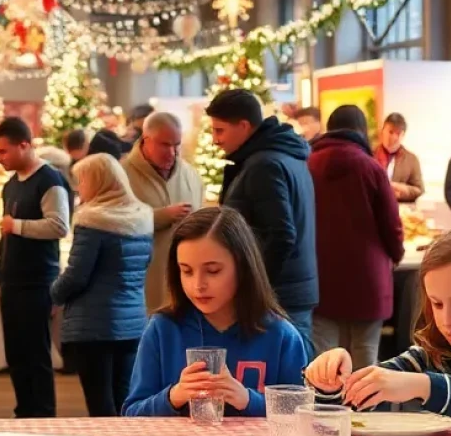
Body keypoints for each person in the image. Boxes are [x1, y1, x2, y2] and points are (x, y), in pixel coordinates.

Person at [305, 221, 451, 429]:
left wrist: (425, 386)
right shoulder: (429, 356)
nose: (447, 320)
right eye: (436, 303)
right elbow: (348, 410)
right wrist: (330, 385)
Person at [123, 207, 308, 417]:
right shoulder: (162, 328)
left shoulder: (281, 336)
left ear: (243, 267)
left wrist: (247, 399)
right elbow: (132, 413)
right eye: (187, 271)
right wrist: (174, 396)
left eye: (213, 271)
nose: (198, 285)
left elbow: (301, 415)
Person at [207, 89, 318, 353]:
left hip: (279, 295)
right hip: (291, 290)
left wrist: (256, 285)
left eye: (220, 130)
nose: (214, 140)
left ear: (244, 126)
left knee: (290, 382)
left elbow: (281, 235)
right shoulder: (284, 156)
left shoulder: (263, 164)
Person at [51, 153, 152, 417]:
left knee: (99, 402)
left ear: (97, 182)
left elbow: (76, 275)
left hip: (94, 325)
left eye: (82, 181)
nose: (78, 188)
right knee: (125, 397)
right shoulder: (143, 217)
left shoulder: (92, 220)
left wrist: (53, 294)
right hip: (132, 322)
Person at [309, 105, 405, 370]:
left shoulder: (308, 165)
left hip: (319, 278)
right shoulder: (371, 168)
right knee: (365, 359)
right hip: (367, 281)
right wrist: (396, 254)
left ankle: (325, 409)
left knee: (323, 361)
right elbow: (391, 223)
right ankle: (365, 410)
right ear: (362, 131)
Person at [0, 116, 71, 419]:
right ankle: (24, 411)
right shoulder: (11, 185)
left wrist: (18, 226)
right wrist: (0, 266)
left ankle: (42, 414)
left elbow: (59, 226)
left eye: (4, 151)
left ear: (24, 145)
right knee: (17, 354)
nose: (0, 158)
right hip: (13, 281)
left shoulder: (49, 180)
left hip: (37, 281)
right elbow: (11, 233)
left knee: (36, 355)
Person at [123, 111, 203, 313]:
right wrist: (157, 217)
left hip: (187, 287)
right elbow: (109, 224)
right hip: (140, 289)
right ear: (146, 140)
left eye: (177, 145)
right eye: (165, 145)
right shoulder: (121, 175)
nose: (172, 152)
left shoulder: (191, 175)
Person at [374, 112, 424, 203]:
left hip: (400, 210)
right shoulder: (369, 155)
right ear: (382, 131)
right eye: (390, 132)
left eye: (398, 134)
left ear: (403, 135)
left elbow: (419, 189)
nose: (393, 137)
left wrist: (401, 189)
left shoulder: (411, 159)